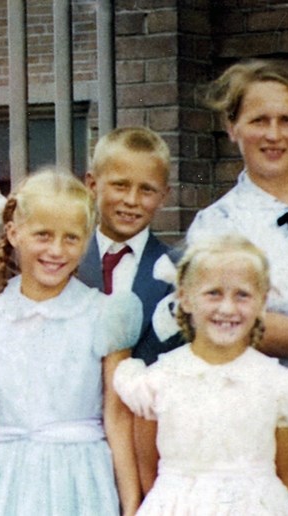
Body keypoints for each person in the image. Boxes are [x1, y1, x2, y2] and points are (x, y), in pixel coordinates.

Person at [0, 169, 141, 515]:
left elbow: (118, 418)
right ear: (14, 232)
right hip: (2, 483)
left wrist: (130, 503)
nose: (56, 250)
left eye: (71, 238)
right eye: (43, 235)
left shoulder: (103, 315)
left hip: (80, 482)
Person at [113, 234, 288, 515]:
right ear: (185, 299)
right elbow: (150, 471)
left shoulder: (279, 385)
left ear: (262, 303)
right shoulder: (159, 380)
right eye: (213, 293)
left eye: (242, 295)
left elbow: (285, 477)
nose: (227, 308)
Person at [186, 60, 288, 359]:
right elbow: (232, 322)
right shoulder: (216, 225)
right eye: (259, 120)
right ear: (232, 128)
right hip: (267, 400)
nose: (274, 135)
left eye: (286, 120)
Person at [79, 126, 182, 494]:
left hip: (147, 452)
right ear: (92, 184)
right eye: (120, 185)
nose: (132, 200)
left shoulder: (179, 272)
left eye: (147, 190)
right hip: (76, 449)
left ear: (164, 195)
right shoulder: (63, 263)